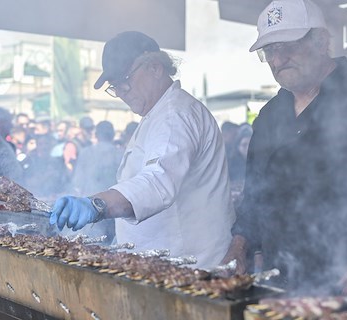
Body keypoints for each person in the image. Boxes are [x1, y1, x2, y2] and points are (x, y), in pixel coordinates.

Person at [223, 0, 347, 295]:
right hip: (284, 289)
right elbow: (255, 199)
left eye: (289, 44)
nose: (279, 58)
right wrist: (239, 244)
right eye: (271, 50)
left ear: (321, 41)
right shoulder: (268, 117)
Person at [49, 31, 235, 269]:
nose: (122, 91)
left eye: (125, 79)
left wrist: (97, 204)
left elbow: (157, 183)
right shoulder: (157, 114)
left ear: (156, 68)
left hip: (188, 266)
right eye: (115, 86)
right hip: (165, 262)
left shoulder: (174, 115)